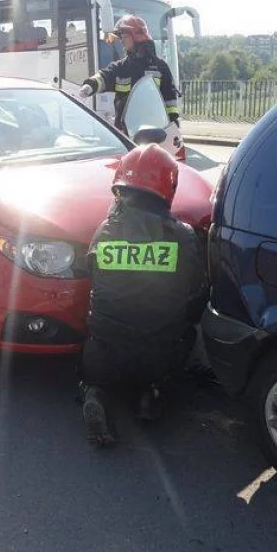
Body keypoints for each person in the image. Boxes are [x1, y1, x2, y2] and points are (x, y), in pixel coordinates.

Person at [79, 143, 207, 447]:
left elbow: (93, 280)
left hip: (101, 354)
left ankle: (95, 393)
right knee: (187, 330)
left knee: (98, 363)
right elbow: (197, 293)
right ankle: (151, 393)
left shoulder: (103, 232)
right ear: (168, 185)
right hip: (158, 353)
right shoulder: (184, 236)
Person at [78, 15, 180, 134]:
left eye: (124, 36)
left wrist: (173, 128)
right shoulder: (121, 67)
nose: (121, 41)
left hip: (155, 132)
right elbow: (105, 76)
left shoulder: (161, 67)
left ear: (135, 37)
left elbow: (170, 102)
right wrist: (91, 85)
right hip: (126, 133)